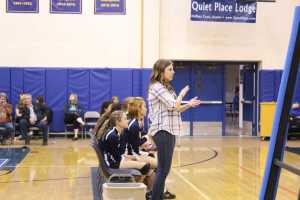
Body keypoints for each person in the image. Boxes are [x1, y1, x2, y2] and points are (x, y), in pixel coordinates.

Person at [148, 59, 201, 200]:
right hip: (162, 130)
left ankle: (157, 196)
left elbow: (176, 109)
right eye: (170, 69)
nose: (173, 71)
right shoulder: (157, 87)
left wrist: (188, 104)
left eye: (173, 69)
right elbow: (173, 105)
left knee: (164, 169)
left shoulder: (167, 88)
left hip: (169, 130)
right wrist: (182, 94)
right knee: (163, 169)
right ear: (161, 71)